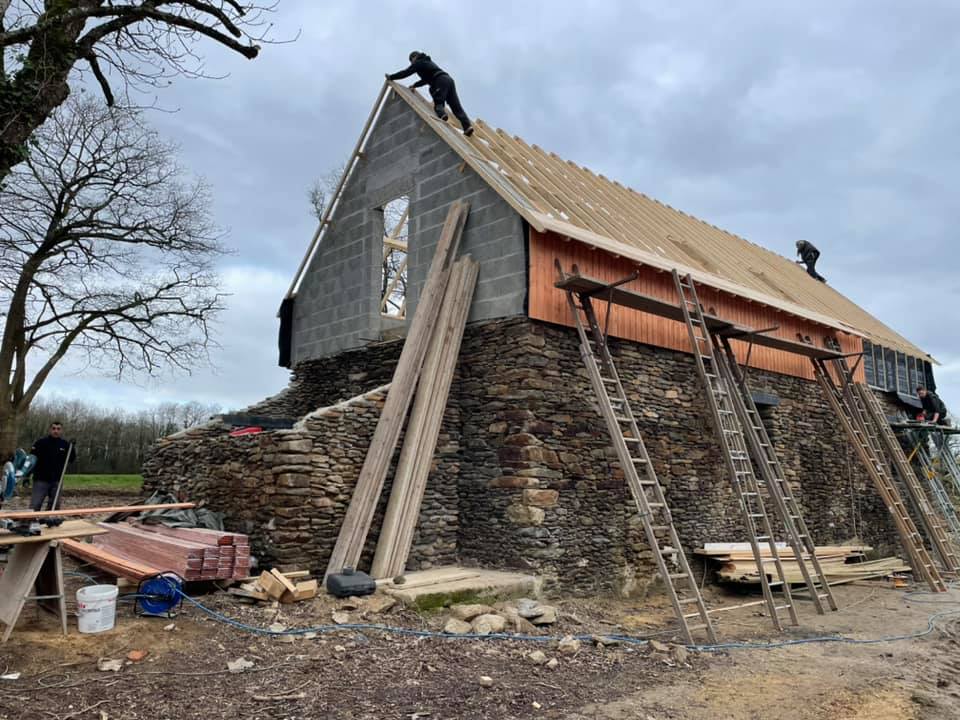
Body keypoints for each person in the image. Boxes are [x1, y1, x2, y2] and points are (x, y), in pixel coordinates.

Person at [387, 51, 474, 137]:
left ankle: (442, 115)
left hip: (439, 81)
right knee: (456, 106)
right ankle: (467, 127)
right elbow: (426, 80)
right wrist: (415, 85)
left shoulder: (418, 62)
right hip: (448, 80)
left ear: (414, 57)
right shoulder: (427, 62)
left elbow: (405, 72)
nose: (411, 63)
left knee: (438, 102)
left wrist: (392, 77)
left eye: (411, 61)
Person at [29, 421, 76, 511]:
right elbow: (32, 459)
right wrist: (28, 475)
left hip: (57, 480)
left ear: (61, 431)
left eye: (58, 429)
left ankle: (49, 521)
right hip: (41, 479)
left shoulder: (65, 445)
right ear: (50, 430)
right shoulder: (40, 443)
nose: (56, 431)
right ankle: (31, 521)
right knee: (35, 504)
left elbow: (71, 459)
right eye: (53, 428)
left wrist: (72, 447)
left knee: (55, 504)